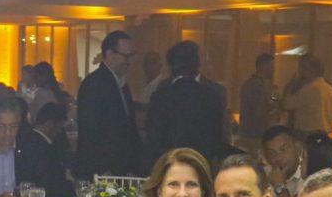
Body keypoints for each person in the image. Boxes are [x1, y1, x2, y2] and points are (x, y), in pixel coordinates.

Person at [146, 40, 225, 169]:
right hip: (201, 166)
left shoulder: (160, 97)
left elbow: (154, 138)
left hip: (169, 166)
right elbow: (217, 138)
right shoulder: (212, 96)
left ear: (171, 66)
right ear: (197, 65)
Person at [74, 30, 142, 180]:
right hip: (102, 172)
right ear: (109, 53)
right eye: (125, 56)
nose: (129, 61)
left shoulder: (121, 84)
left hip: (119, 170)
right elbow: (89, 132)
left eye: (131, 56)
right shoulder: (94, 84)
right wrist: (102, 170)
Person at [18, 101, 75, 197]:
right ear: (50, 124)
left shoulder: (28, 140)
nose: (59, 132)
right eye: (59, 127)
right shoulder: (43, 148)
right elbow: (51, 182)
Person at [281, 54, 332, 138]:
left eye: (302, 67)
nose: (300, 71)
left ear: (310, 69)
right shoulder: (330, 90)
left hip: (307, 134)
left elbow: (286, 104)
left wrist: (291, 86)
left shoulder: (309, 89)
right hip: (325, 133)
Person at [260, 125, 306, 197]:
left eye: (283, 150)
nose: (278, 158)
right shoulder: (261, 176)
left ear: (298, 149)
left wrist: (279, 185)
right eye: (272, 153)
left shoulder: (306, 174)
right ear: (266, 157)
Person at [239, 53, 278, 156]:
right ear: (263, 66)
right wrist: (274, 105)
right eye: (271, 66)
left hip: (252, 133)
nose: (273, 70)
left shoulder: (257, 84)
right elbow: (258, 111)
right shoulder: (256, 86)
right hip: (253, 134)